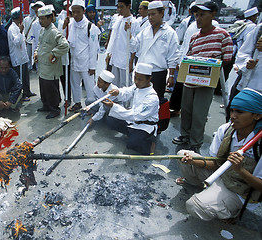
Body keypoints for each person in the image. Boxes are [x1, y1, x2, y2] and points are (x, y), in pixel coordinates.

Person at [177, 88, 262, 222]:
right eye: (232, 110)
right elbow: (216, 163)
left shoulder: (259, 144)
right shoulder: (226, 129)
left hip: (240, 190)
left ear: (257, 116)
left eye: (240, 112)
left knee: (195, 206)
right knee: (182, 155)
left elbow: (260, 186)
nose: (233, 116)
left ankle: (233, 210)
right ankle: (207, 191)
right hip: (221, 175)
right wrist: (194, 161)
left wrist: (240, 170)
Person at [172, 1, 233, 153]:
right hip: (189, 81)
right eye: (196, 15)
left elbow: (227, 59)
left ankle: (195, 142)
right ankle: (185, 135)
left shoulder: (222, 35)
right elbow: (189, 55)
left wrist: (209, 64)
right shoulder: (194, 37)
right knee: (186, 111)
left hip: (205, 83)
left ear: (213, 14)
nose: (198, 18)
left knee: (199, 114)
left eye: (202, 15)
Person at [103, 63, 159, 155]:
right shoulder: (137, 87)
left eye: (140, 79)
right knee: (110, 120)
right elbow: (127, 91)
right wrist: (118, 92)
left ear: (149, 79)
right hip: (132, 122)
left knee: (131, 144)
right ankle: (132, 134)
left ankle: (150, 144)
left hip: (144, 125)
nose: (136, 81)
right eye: (135, 78)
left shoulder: (152, 97)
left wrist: (114, 106)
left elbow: (135, 115)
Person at [130, 1, 178, 102]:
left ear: (161, 13)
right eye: (149, 15)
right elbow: (135, 47)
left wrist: (171, 76)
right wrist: (129, 35)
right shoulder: (145, 32)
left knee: (155, 101)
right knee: (139, 100)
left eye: (153, 14)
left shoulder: (170, 33)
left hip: (158, 73)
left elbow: (172, 56)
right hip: (142, 72)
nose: (150, 17)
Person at [64, 0, 100, 112]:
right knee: (75, 84)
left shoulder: (91, 27)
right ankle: (77, 103)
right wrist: (64, 26)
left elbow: (94, 49)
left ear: (83, 11)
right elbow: (64, 41)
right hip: (74, 60)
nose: (75, 15)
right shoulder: (70, 25)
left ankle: (91, 106)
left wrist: (92, 66)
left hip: (86, 63)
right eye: (73, 12)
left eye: (78, 12)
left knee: (89, 86)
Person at [34, 5, 69, 119]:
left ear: (50, 18)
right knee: (43, 87)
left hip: (51, 67)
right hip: (42, 66)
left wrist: (54, 53)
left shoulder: (54, 31)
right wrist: (36, 53)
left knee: (51, 89)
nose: (41, 21)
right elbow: (39, 44)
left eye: (43, 18)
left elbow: (65, 45)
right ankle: (46, 105)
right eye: (40, 18)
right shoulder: (43, 30)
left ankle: (55, 109)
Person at [105, 0, 138, 88]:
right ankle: (115, 102)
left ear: (129, 6)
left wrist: (131, 63)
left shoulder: (134, 22)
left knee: (125, 86)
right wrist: (109, 54)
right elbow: (113, 39)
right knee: (114, 85)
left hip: (125, 61)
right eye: (118, 7)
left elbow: (135, 46)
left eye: (122, 7)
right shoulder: (118, 20)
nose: (119, 10)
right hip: (115, 59)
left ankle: (126, 102)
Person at [8, 7, 36, 102]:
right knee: (19, 78)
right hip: (17, 58)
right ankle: (21, 95)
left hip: (23, 57)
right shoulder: (12, 29)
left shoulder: (20, 26)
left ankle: (27, 91)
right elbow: (16, 42)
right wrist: (20, 32)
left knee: (25, 76)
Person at [30, 1, 46, 70]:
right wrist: (34, 53)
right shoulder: (34, 24)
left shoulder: (50, 22)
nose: (38, 13)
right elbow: (34, 40)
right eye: (36, 11)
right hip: (39, 53)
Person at [23, 3, 37, 71]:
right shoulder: (26, 19)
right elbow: (24, 29)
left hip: (35, 40)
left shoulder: (38, 18)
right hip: (29, 40)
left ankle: (36, 67)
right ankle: (29, 67)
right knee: (28, 55)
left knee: (36, 55)